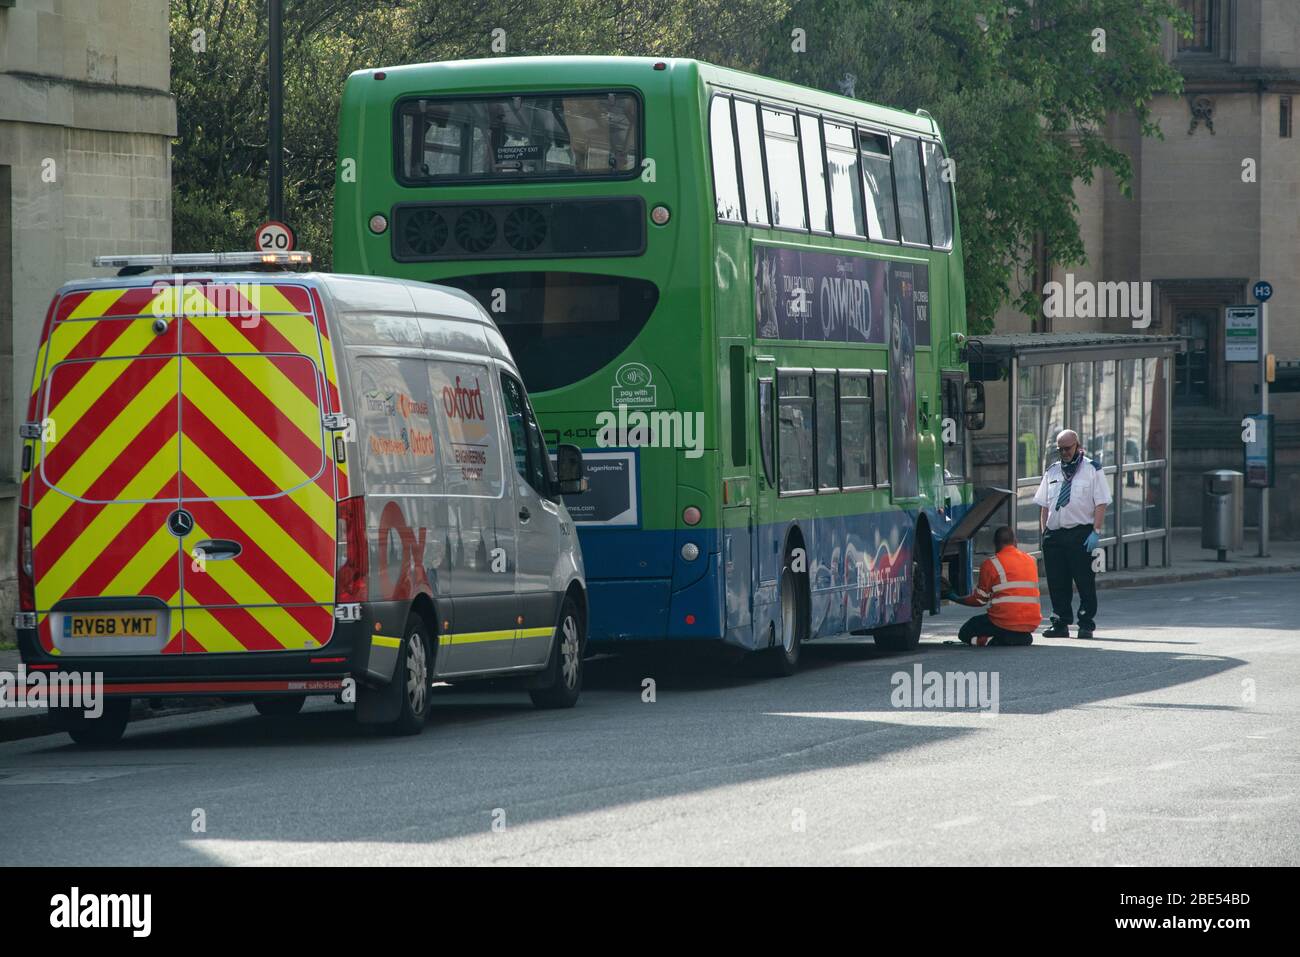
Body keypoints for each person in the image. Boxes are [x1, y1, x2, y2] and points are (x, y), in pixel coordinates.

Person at [1033, 429, 1112, 638]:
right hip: (1055, 534)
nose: (1064, 453)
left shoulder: (1092, 469)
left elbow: (1101, 502)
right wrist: (1045, 532)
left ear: (1077, 445)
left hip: (1080, 533)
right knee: (1057, 581)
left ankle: (1086, 623)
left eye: (1067, 448)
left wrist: (1095, 531)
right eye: (1060, 449)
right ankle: (1060, 622)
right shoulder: (1052, 471)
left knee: (1084, 581)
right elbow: (1044, 505)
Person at [947, 525, 1041, 646]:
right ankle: (1015, 637)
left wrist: (954, 597)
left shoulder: (991, 564)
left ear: (995, 543)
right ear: (1015, 541)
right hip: (1030, 622)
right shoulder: (1031, 560)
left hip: (1003, 621)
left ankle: (988, 640)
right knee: (1014, 631)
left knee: (965, 632)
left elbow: (979, 600)